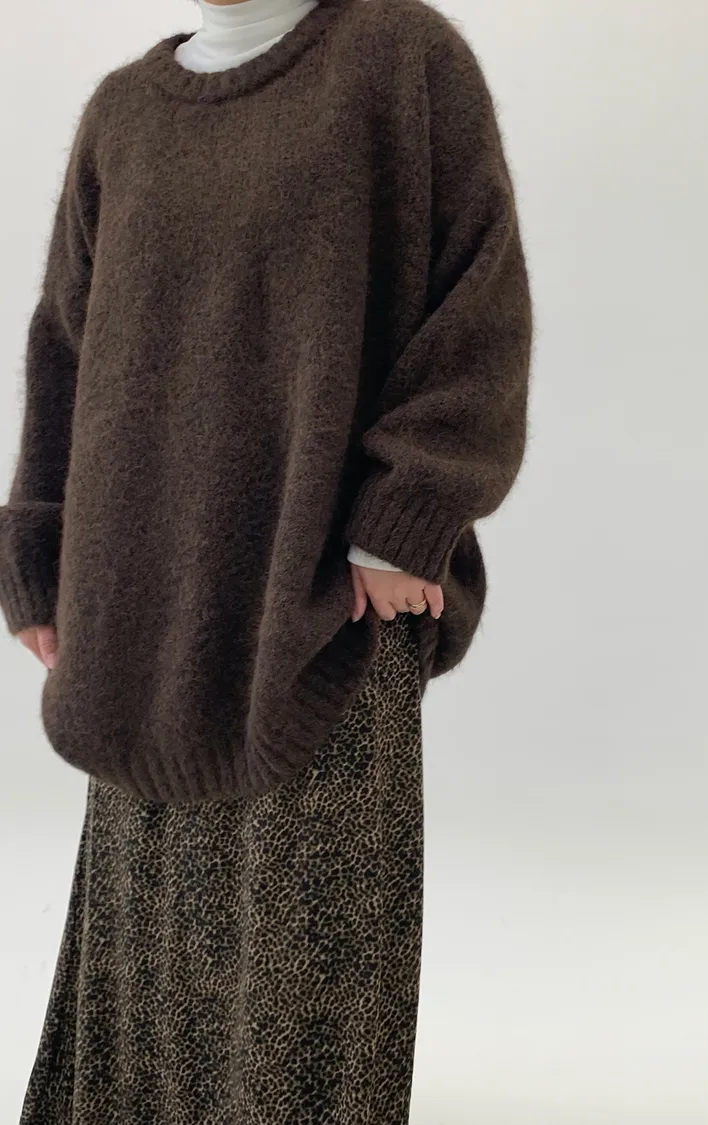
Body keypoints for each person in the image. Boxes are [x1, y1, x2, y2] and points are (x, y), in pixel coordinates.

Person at [0, 0, 533, 1120]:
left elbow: (477, 291)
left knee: (303, 990)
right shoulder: (123, 116)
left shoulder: (398, 58)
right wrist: (40, 560)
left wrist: (406, 511)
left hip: (325, 606)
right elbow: (65, 349)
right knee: (150, 967)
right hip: (141, 616)